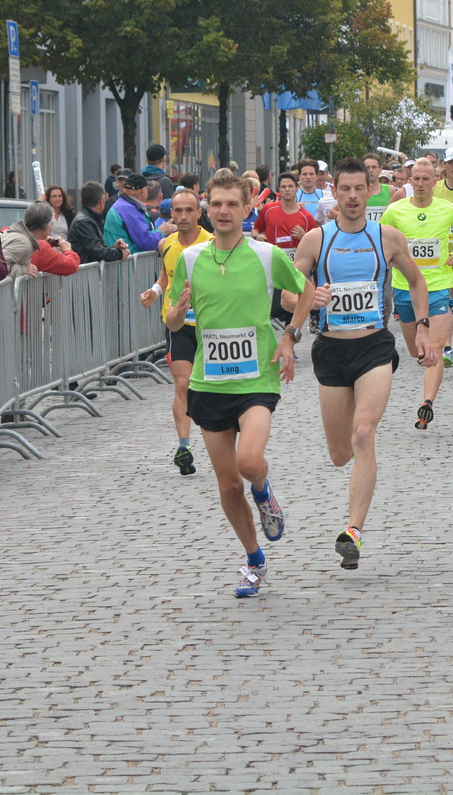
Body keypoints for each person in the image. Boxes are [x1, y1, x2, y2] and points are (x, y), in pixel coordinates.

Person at [165, 170, 313, 599]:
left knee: (250, 462)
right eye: (217, 204)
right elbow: (175, 320)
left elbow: (305, 292)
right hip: (208, 385)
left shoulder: (267, 256)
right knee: (228, 486)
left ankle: (265, 495)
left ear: (248, 209)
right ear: (208, 210)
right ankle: (254, 560)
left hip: (256, 380)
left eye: (232, 204)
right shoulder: (192, 259)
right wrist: (178, 310)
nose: (223, 211)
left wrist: (289, 336)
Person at [292, 159, 435, 570]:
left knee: (362, 434)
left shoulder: (387, 237)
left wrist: (422, 327)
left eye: (360, 188)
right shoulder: (316, 242)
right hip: (331, 351)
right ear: (332, 192)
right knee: (339, 454)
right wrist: (306, 300)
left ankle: (353, 530)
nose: (353, 196)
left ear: (371, 190)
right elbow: (289, 291)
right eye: (345, 189)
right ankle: (353, 509)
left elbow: (418, 280)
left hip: (374, 346)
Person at [379, 156, 453, 429]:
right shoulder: (395, 211)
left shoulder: (447, 209)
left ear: (434, 181)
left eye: (425, 179)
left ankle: (427, 403)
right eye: (415, 179)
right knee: (417, 352)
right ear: (410, 181)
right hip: (404, 289)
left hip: (438, 288)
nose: (420, 184)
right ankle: (426, 387)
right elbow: (380, 237)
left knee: (436, 349)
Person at [141, 188, 212, 476]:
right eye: (177, 211)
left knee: (207, 389)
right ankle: (184, 446)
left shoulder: (213, 243)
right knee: (182, 384)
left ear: (198, 213)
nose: (182, 216)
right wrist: (155, 291)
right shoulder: (166, 244)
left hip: (211, 326)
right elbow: (166, 274)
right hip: (177, 323)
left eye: (188, 211)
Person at [253, 171, 318, 325]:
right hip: (272, 263)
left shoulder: (306, 216)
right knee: (273, 306)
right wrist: (257, 236)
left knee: (291, 303)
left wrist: (303, 236)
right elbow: (256, 229)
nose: (287, 189)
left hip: (295, 266)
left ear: (297, 188)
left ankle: (289, 339)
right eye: (283, 187)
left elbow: (315, 244)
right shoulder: (268, 210)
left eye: (290, 186)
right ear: (279, 190)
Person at [0, 201, 82, 277]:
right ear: (47, 226)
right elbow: (71, 266)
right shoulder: (39, 247)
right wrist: (67, 250)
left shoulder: (7, 231)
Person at [68, 181, 130, 264]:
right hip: (85, 274)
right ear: (101, 201)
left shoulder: (88, 218)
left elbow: (95, 248)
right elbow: (97, 252)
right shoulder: (84, 221)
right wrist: (119, 253)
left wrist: (114, 248)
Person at [105, 173, 163, 255]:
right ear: (143, 191)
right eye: (146, 188)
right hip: (127, 264)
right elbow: (144, 242)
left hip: (122, 262)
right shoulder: (128, 209)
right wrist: (162, 232)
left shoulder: (123, 205)